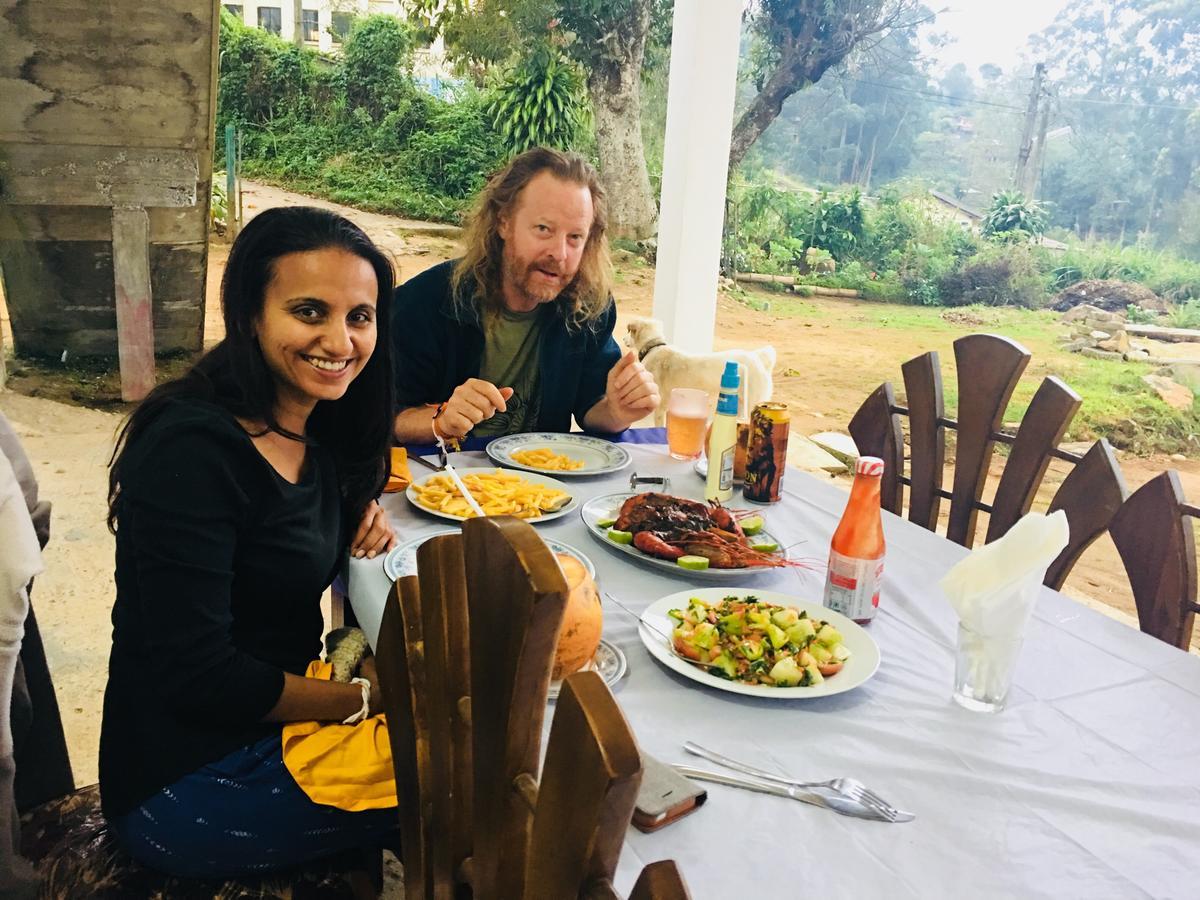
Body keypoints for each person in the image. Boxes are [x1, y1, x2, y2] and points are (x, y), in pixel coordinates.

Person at [99, 206, 399, 878]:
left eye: (360, 316)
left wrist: (357, 509)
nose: (340, 339)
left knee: (465, 753)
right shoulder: (193, 450)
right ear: (250, 314)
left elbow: (299, 514)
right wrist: (364, 701)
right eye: (309, 311)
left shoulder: (313, 430)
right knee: (463, 782)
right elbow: (204, 676)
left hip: (278, 729)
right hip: (185, 783)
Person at [392, 147, 660, 443]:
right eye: (544, 229)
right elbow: (383, 416)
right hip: (442, 482)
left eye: (575, 238)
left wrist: (618, 410)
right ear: (503, 222)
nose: (559, 254)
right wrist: (440, 421)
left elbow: (591, 409)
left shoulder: (588, 307)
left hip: (541, 486)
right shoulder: (425, 302)